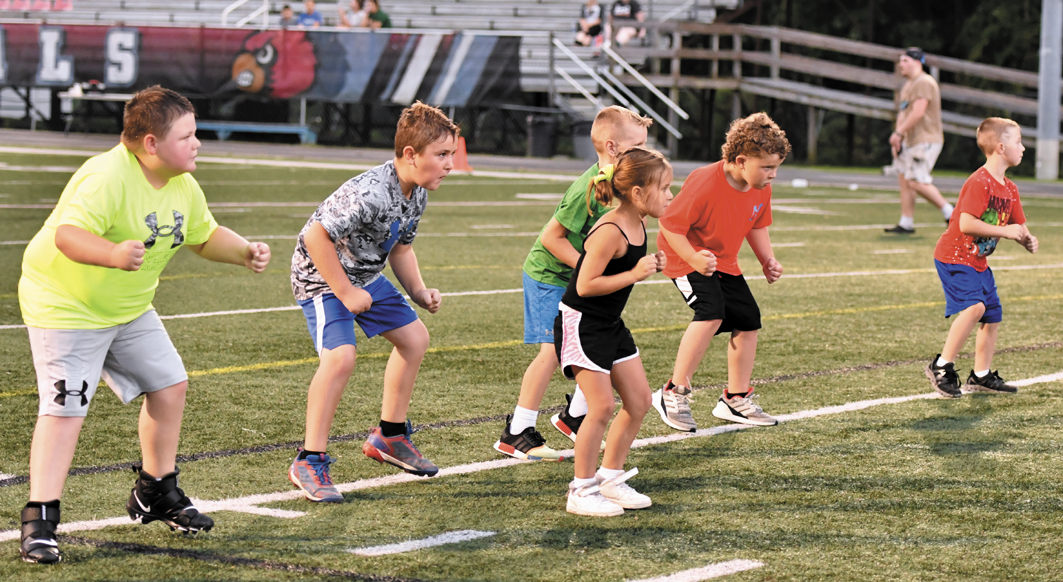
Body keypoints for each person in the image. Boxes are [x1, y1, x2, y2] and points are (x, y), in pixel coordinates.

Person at [16, 86, 272, 564]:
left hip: (128, 306)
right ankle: (40, 519)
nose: (198, 143)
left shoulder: (180, 182)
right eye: (187, 135)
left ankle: (155, 491)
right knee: (67, 408)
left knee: (169, 385)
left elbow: (202, 234)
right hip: (67, 305)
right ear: (151, 144)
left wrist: (242, 252)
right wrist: (112, 254)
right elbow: (68, 236)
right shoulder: (106, 176)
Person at [288, 102, 457, 503]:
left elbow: (400, 248)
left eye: (451, 154)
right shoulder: (370, 192)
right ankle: (309, 459)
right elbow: (315, 237)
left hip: (364, 276)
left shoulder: (415, 193)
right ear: (411, 155)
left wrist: (418, 291)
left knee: (415, 339)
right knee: (341, 358)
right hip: (321, 278)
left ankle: (390, 436)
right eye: (442, 155)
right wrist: (345, 292)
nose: (450, 164)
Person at [493, 106, 652, 462]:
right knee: (552, 350)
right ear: (612, 147)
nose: (642, 152)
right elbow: (552, 238)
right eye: (636, 145)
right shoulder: (588, 185)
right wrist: (588, 268)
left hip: (576, 282)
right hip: (550, 277)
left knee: (602, 341)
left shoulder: (620, 182)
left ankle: (575, 416)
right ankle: (517, 431)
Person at [653, 112, 790, 432]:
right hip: (683, 256)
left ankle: (735, 398)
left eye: (776, 167)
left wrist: (767, 259)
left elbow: (757, 224)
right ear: (741, 160)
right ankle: (672, 392)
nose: (773, 175)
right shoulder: (705, 181)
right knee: (711, 312)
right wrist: (693, 257)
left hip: (722, 261)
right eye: (767, 167)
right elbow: (670, 225)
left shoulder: (760, 187)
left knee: (748, 318)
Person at [557, 147, 672, 516]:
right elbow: (586, 285)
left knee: (639, 401)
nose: (671, 195)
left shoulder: (639, 221)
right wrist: (635, 273)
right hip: (581, 323)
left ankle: (610, 477)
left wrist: (650, 264)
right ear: (638, 193)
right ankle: (581, 488)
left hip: (609, 324)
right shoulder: (610, 229)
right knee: (602, 406)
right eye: (665, 188)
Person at [925, 118, 1038, 397]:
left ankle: (981, 375)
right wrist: (1006, 231)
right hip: (954, 256)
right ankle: (941, 366)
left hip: (977, 261)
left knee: (992, 314)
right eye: (1018, 142)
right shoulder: (980, 182)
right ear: (1001, 147)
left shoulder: (1009, 188)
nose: (1022, 148)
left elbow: (1018, 225)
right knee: (975, 307)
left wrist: (1026, 238)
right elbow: (965, 224)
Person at [885, 47, 954, 234]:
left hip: (926, 138)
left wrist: (899, 133)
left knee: (916, 180)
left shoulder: (924, 82)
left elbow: (918, 111)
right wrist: (899, 136)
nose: (901, 64)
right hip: (909, 139)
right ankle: (906, 222)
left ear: (917, 62)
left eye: (905, 61)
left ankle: (951, 213)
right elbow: (903, 112)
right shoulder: (908, 84)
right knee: (905, 180)